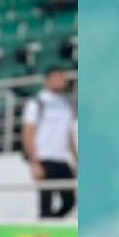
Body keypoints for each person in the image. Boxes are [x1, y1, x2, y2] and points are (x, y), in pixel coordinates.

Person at [22, 67, 77, 219]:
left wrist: (76, 159)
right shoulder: (37, 102)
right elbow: (28, 133)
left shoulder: (66, 104)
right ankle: (45, 233)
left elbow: (69, 134)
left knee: (70, 201)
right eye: (59, 77)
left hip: (62, 158)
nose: (63, 80)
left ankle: (52, 226)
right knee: (46, 201)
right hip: (44, 158)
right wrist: (34, 163)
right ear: (49, 79)